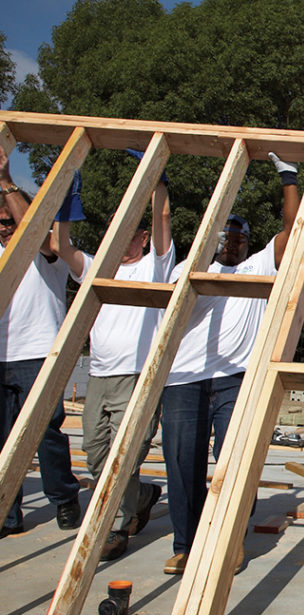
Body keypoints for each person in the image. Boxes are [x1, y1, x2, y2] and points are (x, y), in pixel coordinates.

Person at [159, 152, 298, 575]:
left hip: (236, 380)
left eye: (240, 238)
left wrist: (288, 179)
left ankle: (229, 541)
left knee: (235, 462)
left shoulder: (258, 265)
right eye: (227, 237)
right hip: (184, 379)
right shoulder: (190, 268)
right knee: (183, 463)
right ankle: (187, 544)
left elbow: (294, 229)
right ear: (213, 238)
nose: (234, 244)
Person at [50, 156, 174, 560]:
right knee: (95, 451)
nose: (120, 240)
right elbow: (61, 247)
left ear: (140, 238)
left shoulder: (155, 267)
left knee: (124, 455)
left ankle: (116, 527)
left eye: (129, 234)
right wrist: (65, 207)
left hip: (137, 376)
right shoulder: (98, 268)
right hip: (100, 377)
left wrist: (157, 181)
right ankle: (141, 497)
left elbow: (163, 220)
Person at [0, 146, 82, 536]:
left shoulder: (46, 253)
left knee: (44, 432)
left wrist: (4, 180)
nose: (3, 227)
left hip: (38, 354)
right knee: (2, 443)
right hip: (2, 356)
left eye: (8, 220)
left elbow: (34, 231)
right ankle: (7, 513)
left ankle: (64, 497)